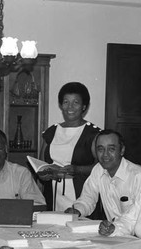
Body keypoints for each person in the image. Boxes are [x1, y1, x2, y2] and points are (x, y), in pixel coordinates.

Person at [39, 82, 101, 212]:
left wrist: (78, 169)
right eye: (66, 102)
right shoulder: (51, 132)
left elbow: (102, 168)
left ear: (84, 106)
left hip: (82, 198)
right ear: (61, 105)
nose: (70, 107)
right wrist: (43, 174)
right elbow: (40, 165)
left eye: (76, 102)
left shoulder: (93, 134)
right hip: (52, 196)